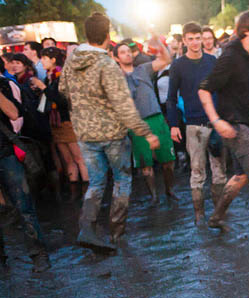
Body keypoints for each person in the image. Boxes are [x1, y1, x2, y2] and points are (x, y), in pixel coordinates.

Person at [60, 12, 159, 253]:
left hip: (84, 133)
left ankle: (87, 228)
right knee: (122, 181)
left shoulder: (71, 61)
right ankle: (116, 232)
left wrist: (85, 109)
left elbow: (63, 89)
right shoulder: (107, 64)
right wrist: (146, 132)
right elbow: (123, 104)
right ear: (107, 35)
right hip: (112, 133)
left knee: (96, 182)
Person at [200, 11, 249, 242]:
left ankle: (216, 217)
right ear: (245, 30)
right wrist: (217, 121)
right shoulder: (230, 56)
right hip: (231, 125)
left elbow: (245, 86)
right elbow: (204, 89)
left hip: (243, 122)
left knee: (242, 175)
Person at [167, 22, 227, 225]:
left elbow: (222, 87)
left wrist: (224, 118)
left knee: (219, 172)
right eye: (190, 39)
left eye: (197, 38)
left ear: (203, 39)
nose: (194, 42)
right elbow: (171, 98)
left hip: (215, 122)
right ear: (184, 41)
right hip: (193, 126)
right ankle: (199, 215)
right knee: (197, 172)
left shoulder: (212, 60)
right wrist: (173, 125)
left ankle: (219, 215)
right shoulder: (178, 65)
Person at [115, 37, 178, 204]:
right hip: (137, 124)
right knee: (145, 165)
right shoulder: (114, 79)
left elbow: (166, 60)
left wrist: (159, 45)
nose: (127, 54)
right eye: (122, 52)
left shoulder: (142, 69)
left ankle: (169, 190)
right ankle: (154, 197)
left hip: (157, 118)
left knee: (168, 161)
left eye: (129, 51)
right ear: (116, 58)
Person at [0, 74, 51, 272]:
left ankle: (38, 254)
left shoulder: (3, 84)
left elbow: (14, 114)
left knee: (24, 205)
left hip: (4, 153)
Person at [32, 47, 88, 201]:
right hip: (55, 123)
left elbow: (63, 100)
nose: (41, 61)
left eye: (44, 58)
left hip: (67, 121)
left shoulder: (63, 75)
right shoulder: (48, 77)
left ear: (53, 60)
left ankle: (88, 192)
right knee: (68, 159)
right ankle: (74, 193)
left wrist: (44, 88)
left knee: (78, 158)